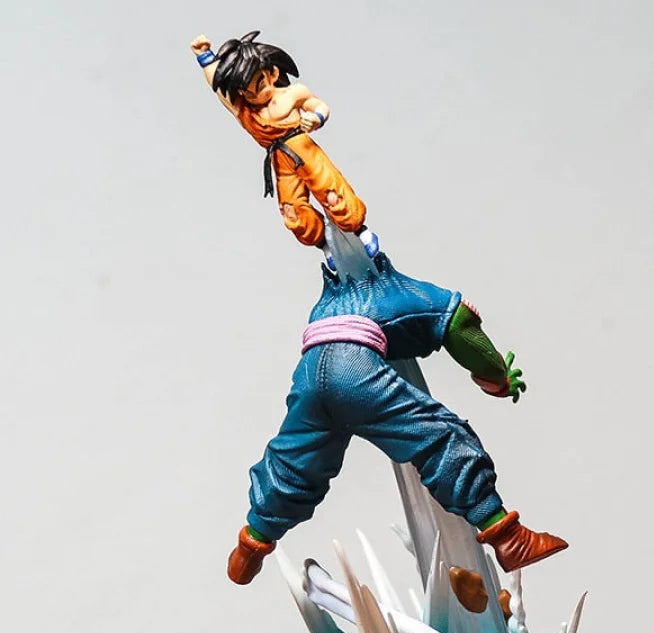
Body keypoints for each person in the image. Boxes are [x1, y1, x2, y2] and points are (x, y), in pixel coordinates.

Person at [226, 255, 568, 583]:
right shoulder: (402, 290)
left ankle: (252, 543)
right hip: (354, 369)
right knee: (440, 437)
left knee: (293, 459)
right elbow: (459, 324)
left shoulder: (326, 302)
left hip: (311, 371)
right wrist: (497, 377)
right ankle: (509, 538)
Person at [190, 31, 377, 261]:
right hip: (280, 161)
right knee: (292, 212)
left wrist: (316, 118)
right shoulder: (245, 109)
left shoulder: (292, 94)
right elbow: (218, 87)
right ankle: (325, 245)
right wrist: (204, 55)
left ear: (272, 73)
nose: (255, 95)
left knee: (332, 193)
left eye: (259, 85)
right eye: (247, 92)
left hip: (304, 150)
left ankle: (362, 232)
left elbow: (318, 105)